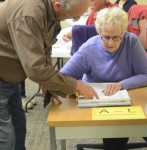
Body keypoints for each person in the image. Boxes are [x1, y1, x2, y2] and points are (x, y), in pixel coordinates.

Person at [0, 0, 99, 150]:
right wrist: (76, 85)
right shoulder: (29, 14)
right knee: (5, 138)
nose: (76, 20)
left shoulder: (48, 12)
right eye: (73, 17)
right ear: (57, 5)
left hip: (10, 76)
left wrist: (47, 83)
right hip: (3, 75)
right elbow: (36, 68)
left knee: (18, 127)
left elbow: (42, 49)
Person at [60, 7, 147, 150]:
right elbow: (63, 76)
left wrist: (121, 84)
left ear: (123, 33)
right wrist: (77, 85)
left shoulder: (131, 42)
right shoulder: (89, 48)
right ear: (99, 32)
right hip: (98, 104)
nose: (110, 43)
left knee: (145, 127)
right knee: (115, 141)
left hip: (128, 101)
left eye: (116, 37)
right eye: (106, 37)